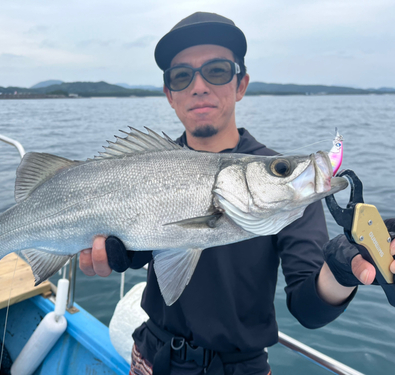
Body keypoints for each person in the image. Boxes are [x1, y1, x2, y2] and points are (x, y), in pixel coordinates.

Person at [79, 12, 395, 375]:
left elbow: (309, 308)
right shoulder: (143, 168)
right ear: (169, 94)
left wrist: (342, 271)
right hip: (151, 357)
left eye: (216, 71)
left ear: (241, 84)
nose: (199, 86)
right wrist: (129, 247)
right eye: (182, 76)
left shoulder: (286, 189)